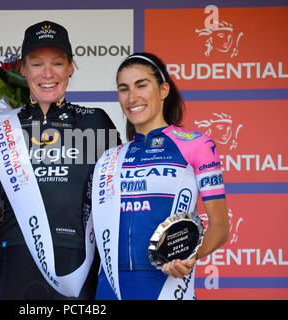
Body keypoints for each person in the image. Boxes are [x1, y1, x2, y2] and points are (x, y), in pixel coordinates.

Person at [0, 20, 121, 299]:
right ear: (22, 69)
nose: (47, 73)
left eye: (57, 63)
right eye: (36, 63)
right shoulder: (1, 129)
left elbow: (118, 199)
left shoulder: (96, 122)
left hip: (77, 265)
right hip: (14, 264)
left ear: (71, 67)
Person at [92, 52, 229, 300]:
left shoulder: (196, 145)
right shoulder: (109, 159)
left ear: (163, 89)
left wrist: (190, 256)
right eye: (124, 89)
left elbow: (220, 226)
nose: (132, 97)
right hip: (110, 288)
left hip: (166, 286)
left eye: (141, 85)